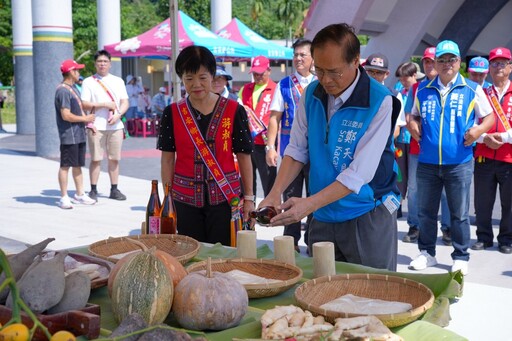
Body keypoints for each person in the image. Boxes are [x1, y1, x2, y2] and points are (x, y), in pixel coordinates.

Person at [258, 23, 401, 271]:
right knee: (321, 294)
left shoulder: (380, 101)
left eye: (334, 72)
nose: (325, 80)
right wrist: (274, 192)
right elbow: (297, 149)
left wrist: (309, 204)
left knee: (373, 296)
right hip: (323, 213)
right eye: (320, 70)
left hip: (366, 213)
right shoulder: (311, 93)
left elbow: (359, 173)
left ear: (356, 61)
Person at [408, 40, 495, 275]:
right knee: (425, 212)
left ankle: (460, 255)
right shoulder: (423, 90)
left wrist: (478, 131)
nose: (447, 64)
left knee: (459, 213)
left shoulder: (471, 88)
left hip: (459, 162)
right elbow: (413, 116)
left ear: (459, 63)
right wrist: (413, 124)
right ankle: (427, 252)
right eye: (442, 60)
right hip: (427, 162)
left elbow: (490, 118)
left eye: (452, 59)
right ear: (435, 63)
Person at [157, 45, 254, 246]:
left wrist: (250, 199)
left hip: (226, 200)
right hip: (184, 200)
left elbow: (244, 156)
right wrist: (168, 199)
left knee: (225, 256)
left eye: (202, 77)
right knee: (191, 254)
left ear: (213, 76)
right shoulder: (172, 113)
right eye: (189, 78)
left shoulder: (234, 110)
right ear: (181, 79)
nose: (196, 84)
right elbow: (167, 160)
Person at [266, 38, 316, 252]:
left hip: (316, 153)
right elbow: (274, 118)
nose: (298, 59)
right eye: (295, 55)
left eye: (302, 55)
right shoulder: (284, 84)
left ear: (313, 57)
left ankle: (314, 239)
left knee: (315, 196)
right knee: (290, 196)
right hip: (291, 153)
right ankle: (291, 241)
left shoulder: (319, 83)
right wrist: (270, 147)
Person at [403, 47, 452, 246]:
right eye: (426, 62)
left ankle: (448, 228)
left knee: (445, 191)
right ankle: (415, 225)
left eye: (433, 61)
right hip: (419, 149)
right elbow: (408, 116)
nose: (430, 65)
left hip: (445, 151)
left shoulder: (450, 86)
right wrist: (415, 129)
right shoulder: (416, 88)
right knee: (414, 190)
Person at [472, 47, 512, 254]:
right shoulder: (481, 93)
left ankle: (506, 239)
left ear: (510, 67)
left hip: (509, 157)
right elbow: (470, 123)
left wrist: (503, 138)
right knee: (482, 200)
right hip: (484, 155)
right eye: (494, 63)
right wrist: (485, 138)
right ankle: (484, 237)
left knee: (509, 203)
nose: (498, 67)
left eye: (503, 63)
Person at [80, 50, 129, 201]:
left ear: (110, 63)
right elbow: (85, 103)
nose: (102, 64)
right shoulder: (89, 81)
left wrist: (118, 115)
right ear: (95, 64)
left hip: (115, 126)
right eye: (99, 61)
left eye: (105, 61)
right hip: (96, 126)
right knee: (96, 159)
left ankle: (114, 189)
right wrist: (104, 104)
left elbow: (125, 101)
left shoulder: (118, 81)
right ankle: (93, 189)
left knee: (114, 158)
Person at [55, 59, 96, 209]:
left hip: (78, 133)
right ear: (71, 72)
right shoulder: (63, 90)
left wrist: (87, 123)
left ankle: (80, 194)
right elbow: (65, 115)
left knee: (78, 165)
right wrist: (85, 119)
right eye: (77, 70)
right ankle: (64, 197)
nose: (79, 72)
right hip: (69, 134)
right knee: (65, 165)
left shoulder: (73, 88)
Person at [238, 55, 277, 197]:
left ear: (269, 71)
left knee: (269, 181)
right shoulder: (246, 89)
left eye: (261, 73)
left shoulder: (276, 89)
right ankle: (249, 212)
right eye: (255, 73)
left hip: (266, 143)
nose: (258, 76)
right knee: (247, 182)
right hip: (247, 142)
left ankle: (269, 213)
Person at [393, 62, 422, 220]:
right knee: (399, 176)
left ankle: (415, 215)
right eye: (401, 79)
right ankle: (397, 206)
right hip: (400, 140)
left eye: (407, 78)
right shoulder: (399, 91)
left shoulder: (420, 91)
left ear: (414, 76)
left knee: (414, 181)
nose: (404, 82)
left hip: (414, 141)